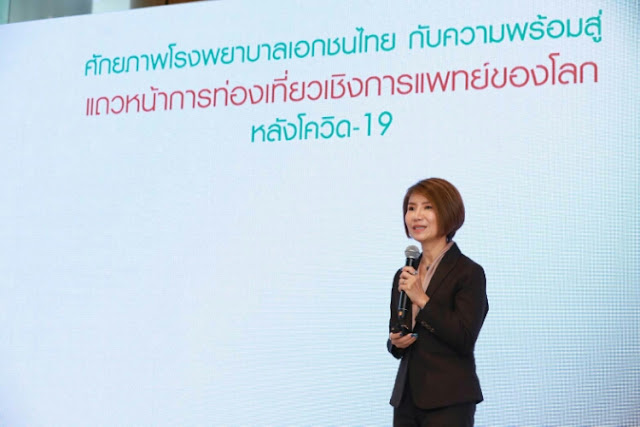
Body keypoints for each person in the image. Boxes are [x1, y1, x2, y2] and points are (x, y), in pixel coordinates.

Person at [388, 178, 488, 427]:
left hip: (449, 400)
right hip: (406, 399)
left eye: (427, 207)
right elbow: (398, 333)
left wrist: (422, 299)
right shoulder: (405, 273)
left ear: (448, 212)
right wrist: (395, 342)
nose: (417, 216)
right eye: (411, 208)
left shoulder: (468, 272)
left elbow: (464, 338)